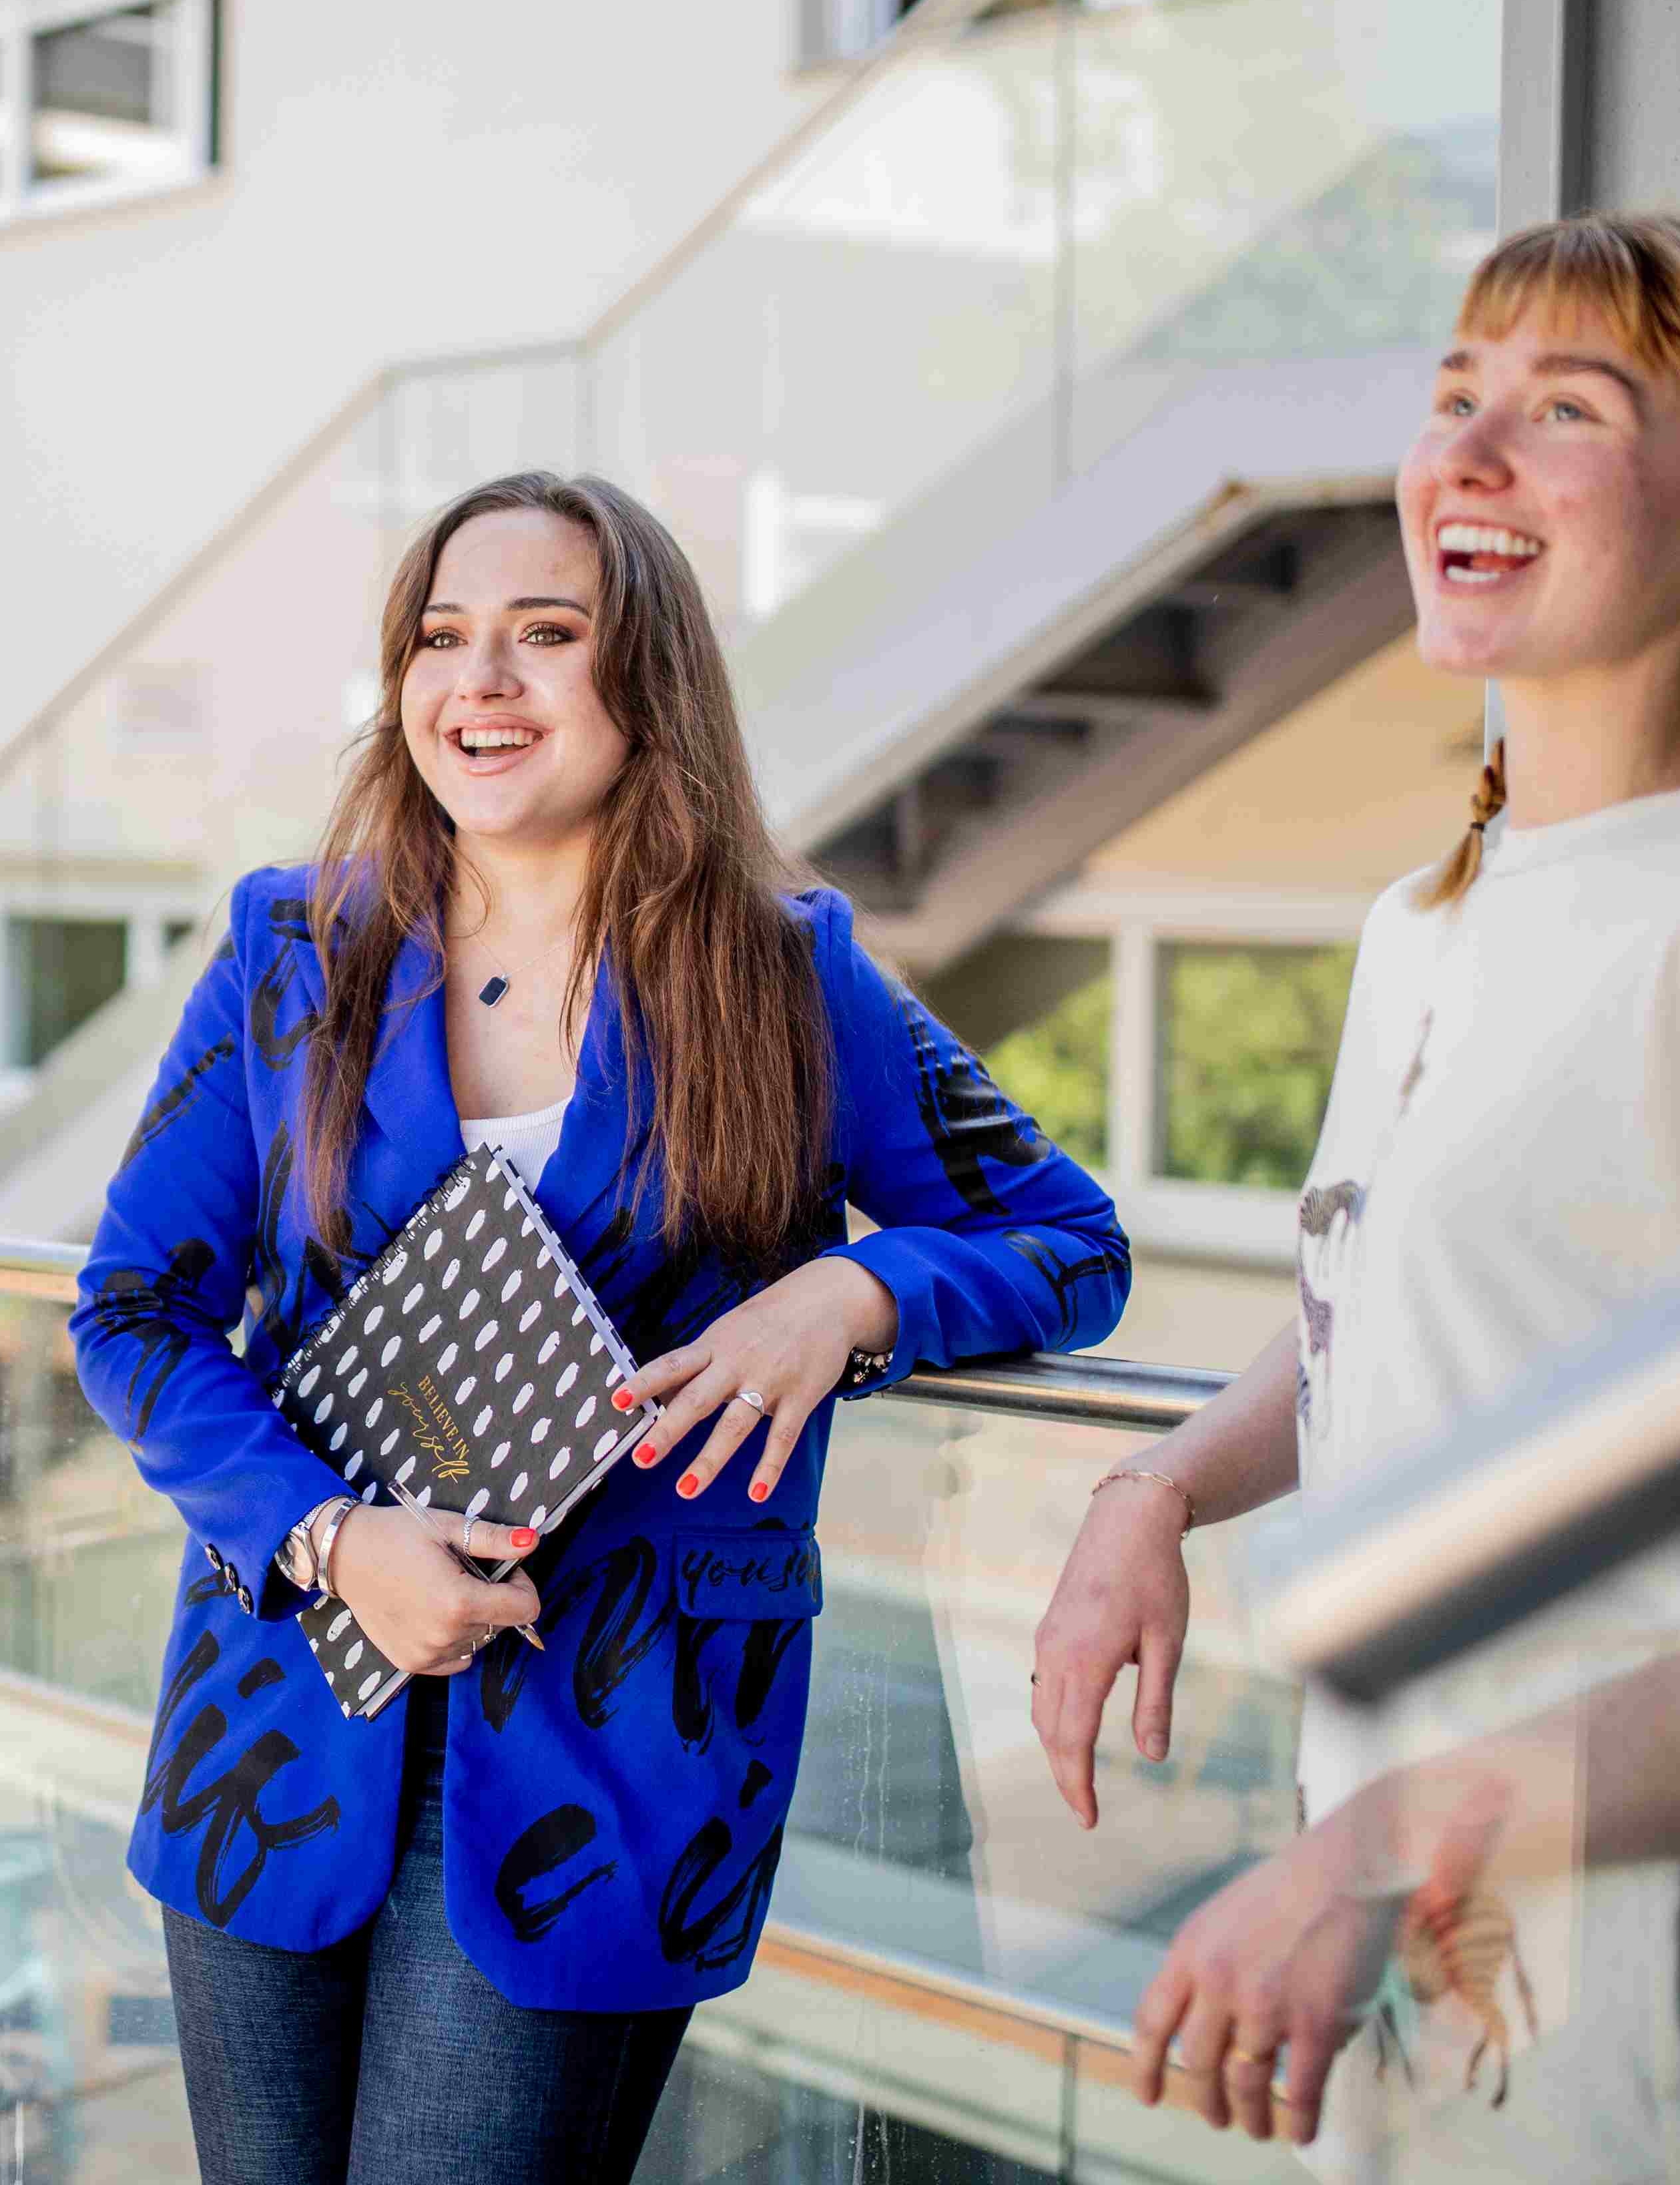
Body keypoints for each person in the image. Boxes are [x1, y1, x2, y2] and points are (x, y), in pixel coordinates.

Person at [1027, 212, 1680, 2182]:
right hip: (1435, 2053)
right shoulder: (1429, 919)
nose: (1464, 458)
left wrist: (1393, 1842)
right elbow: (1389, 1310)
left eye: (1564, 411)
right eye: (1453, 399)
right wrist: (1161, 1489)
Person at [75, 469, 1129, 2183]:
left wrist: (856, 1293)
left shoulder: (784, 974)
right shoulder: (295, 946)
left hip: (612, 1770)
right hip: (279, 1725)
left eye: (545, 635)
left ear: (648, 679)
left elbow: (1071, 1243)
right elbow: (133, 1311)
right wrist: (333, 1540)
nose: (480, 682)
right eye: (442, 638)